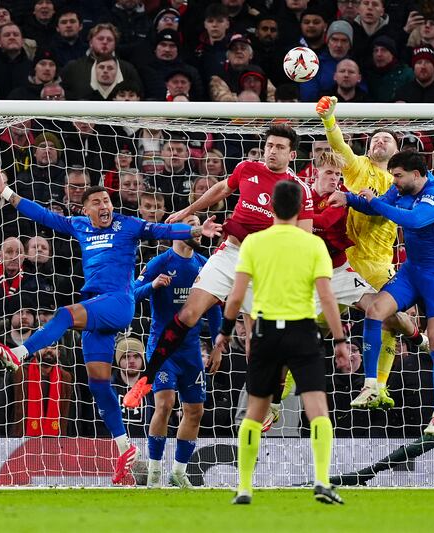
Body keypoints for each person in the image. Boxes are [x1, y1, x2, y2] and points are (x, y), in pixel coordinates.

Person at [0, 170, 221, 484]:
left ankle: (18, 353)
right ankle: (125, 449)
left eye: (107, 200)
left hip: (118, 302)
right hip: (95, 309)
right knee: (99, 385)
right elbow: (43, 215)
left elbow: (160, 229)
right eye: (97, 202)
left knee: (64, 315)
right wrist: (6, 192)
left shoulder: (127, 224)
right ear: (86, 209)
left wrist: (196, 230)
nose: (104, 206)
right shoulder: (78, 225)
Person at [121, 124, 315, 409]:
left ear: (292, 154)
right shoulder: (248, 168)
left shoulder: (299, 190)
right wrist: (189, 210)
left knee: (256, 343)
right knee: (188, 313)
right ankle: (146, 379)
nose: (272, 151)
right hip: (230, 254)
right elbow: (223, 188)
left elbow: (305, 238)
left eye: (280, 147)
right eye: (269, 145)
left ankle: (269, 405)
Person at [215, 180, 346, 505]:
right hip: (302, 332)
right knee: (317, 410)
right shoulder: (313, 245)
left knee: (255, 412)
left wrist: (225, 331)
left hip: (265, 333)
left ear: (271, 207)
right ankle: (322, 481)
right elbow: (327, 298)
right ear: (301, 208)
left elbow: (235, 297)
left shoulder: (254, 243)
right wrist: (341, 339)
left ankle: (244, 487)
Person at [316, 95, 430, 408]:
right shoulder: (357, 168)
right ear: (368, 149)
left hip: (379, 263)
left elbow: (391, 213)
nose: (380, 140)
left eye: (387, 139)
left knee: (390, 319)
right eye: (375, 138)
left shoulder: (401, 181)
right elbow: (338, 145)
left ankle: (379, 386)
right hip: (345, 263)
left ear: (398, 152)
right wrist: (328, 119)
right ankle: (277, 399)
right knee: (313, 326)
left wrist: (370, 201)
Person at [339, 151, 434, 436]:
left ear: (416, 174)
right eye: (393, 175)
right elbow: (375, 207)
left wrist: (375, 201)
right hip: (411, 271)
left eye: (398, 176)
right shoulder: (400, 188)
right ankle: (371, 386)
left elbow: (413, 220)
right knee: (375, 310)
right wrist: (348, 198)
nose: (394, 181)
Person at [133, 215, 222, 488]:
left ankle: (179, 472)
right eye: (193, 223)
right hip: (163, 348)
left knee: (195, 411)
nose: (199, 230)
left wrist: (217, 345)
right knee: (165, 404)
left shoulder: (204, 265)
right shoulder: (159, 263)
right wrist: (152, 286)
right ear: (179, 230)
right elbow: (131, 294)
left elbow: (214, 308)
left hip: (191, 351)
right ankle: (154, 471)